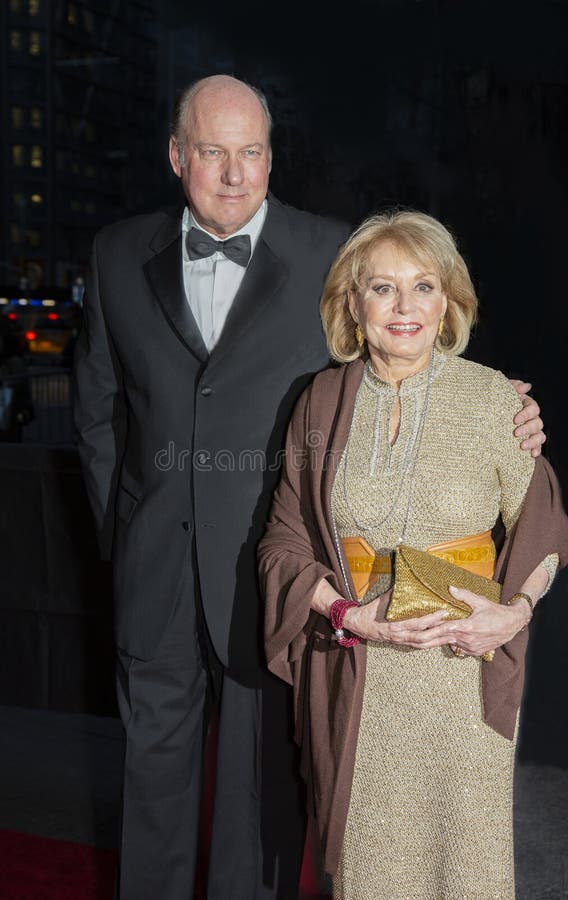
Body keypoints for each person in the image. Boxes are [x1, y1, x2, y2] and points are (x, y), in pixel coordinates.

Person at [73, 76, 546, 900]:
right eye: (213, 153)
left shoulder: (332, 250)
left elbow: (404, 338)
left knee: (260, 804)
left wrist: (509, 411)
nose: (233, 173)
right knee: (150, 785)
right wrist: (128, 535)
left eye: (251, 152)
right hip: (153, 571)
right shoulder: (116, 254)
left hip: (274, 572)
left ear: (269, 157)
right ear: (177, 155)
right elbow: (96, 415)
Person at [258, 210, 568, 899]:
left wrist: (512, 614)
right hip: (361, 679)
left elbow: (544, 528)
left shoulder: (494, 400)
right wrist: (348, 615)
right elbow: (283, 541)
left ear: (449, 302)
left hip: (462, 678)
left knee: (466, 871)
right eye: (383, 288)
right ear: (352, 303)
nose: (404, 308)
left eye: (423, 286)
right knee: (371, 874)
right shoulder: (318, 402)